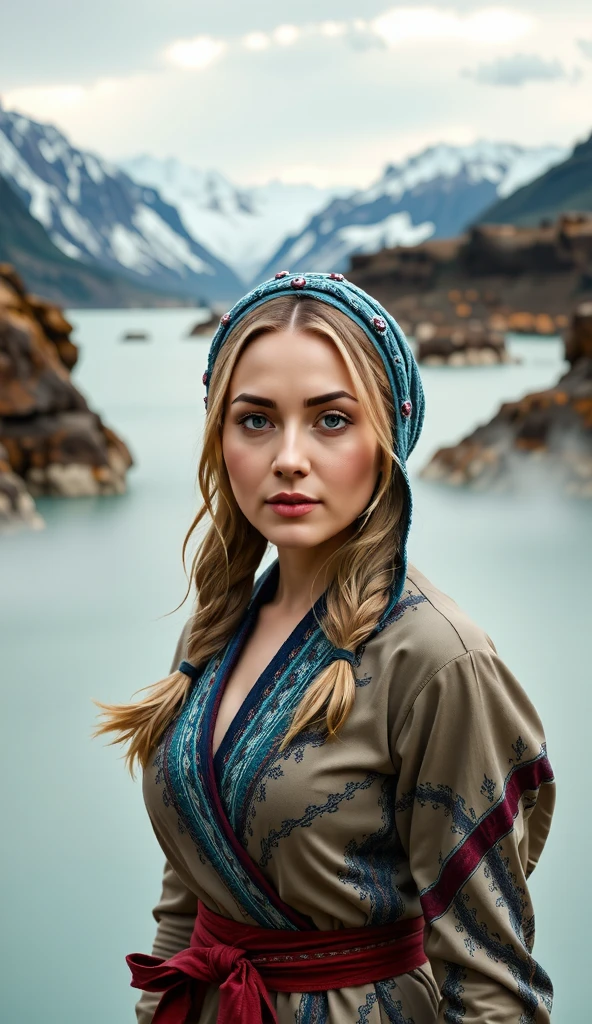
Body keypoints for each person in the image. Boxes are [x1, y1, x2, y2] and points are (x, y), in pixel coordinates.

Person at [95, 271, 556, 1024]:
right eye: (255, 420)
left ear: (388, 437)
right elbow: (189, 899)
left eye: (331, 420)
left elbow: (496, 991)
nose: (289, 457)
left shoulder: (440, 660)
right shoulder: (216, 626)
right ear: (220, 437)